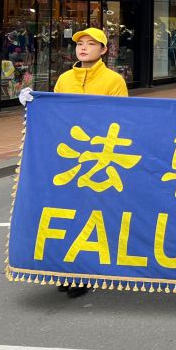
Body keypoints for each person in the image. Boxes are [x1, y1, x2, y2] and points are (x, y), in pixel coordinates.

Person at [17, 28, 127, 299]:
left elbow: (121, 118)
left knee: (92, 214)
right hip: (68, 158)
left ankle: (84, 272)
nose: (83, 48)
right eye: (80, 43)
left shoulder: (114, 80)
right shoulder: (65, 79)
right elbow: (54, 114)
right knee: (65, 212)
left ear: (104, 50)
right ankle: (66, 269)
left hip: (99, 159)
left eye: (91, 43)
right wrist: (34, 104)